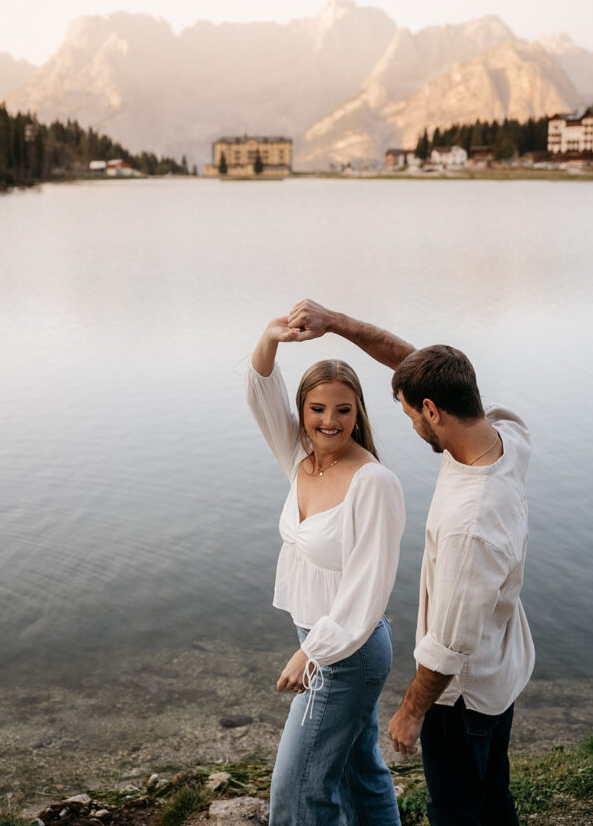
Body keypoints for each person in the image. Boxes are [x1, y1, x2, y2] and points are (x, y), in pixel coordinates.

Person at [284, 299, 535, 826]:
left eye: (410, 414)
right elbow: (416, 367)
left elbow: (449, 644)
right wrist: (340, 324)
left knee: (455, 810)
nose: (409, 424)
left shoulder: (470, 522)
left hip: (461, 697)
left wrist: (411, 711)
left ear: (433, 410)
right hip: (503, 669)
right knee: (494, 798)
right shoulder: (505, 435)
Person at [245, 314, 405, 826]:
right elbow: (261, 394)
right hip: (322, 638)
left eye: (342, 409)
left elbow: (369, 588)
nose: (329, 421)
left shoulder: (373, 482)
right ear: (304, 411)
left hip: (346, 653)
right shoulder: (300, 458)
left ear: (359, 412)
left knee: (298, 794)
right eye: (316, 409)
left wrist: (312, 652)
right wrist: (271, 338)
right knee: (361, 776)